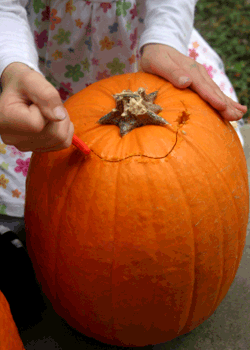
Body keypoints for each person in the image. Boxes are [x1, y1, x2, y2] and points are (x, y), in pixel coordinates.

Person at [0, 0, 247, 327]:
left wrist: (165, 37)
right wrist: (14, 66)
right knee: (29, 173)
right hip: (40, 71)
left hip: (146, 51)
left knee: (212, 147)